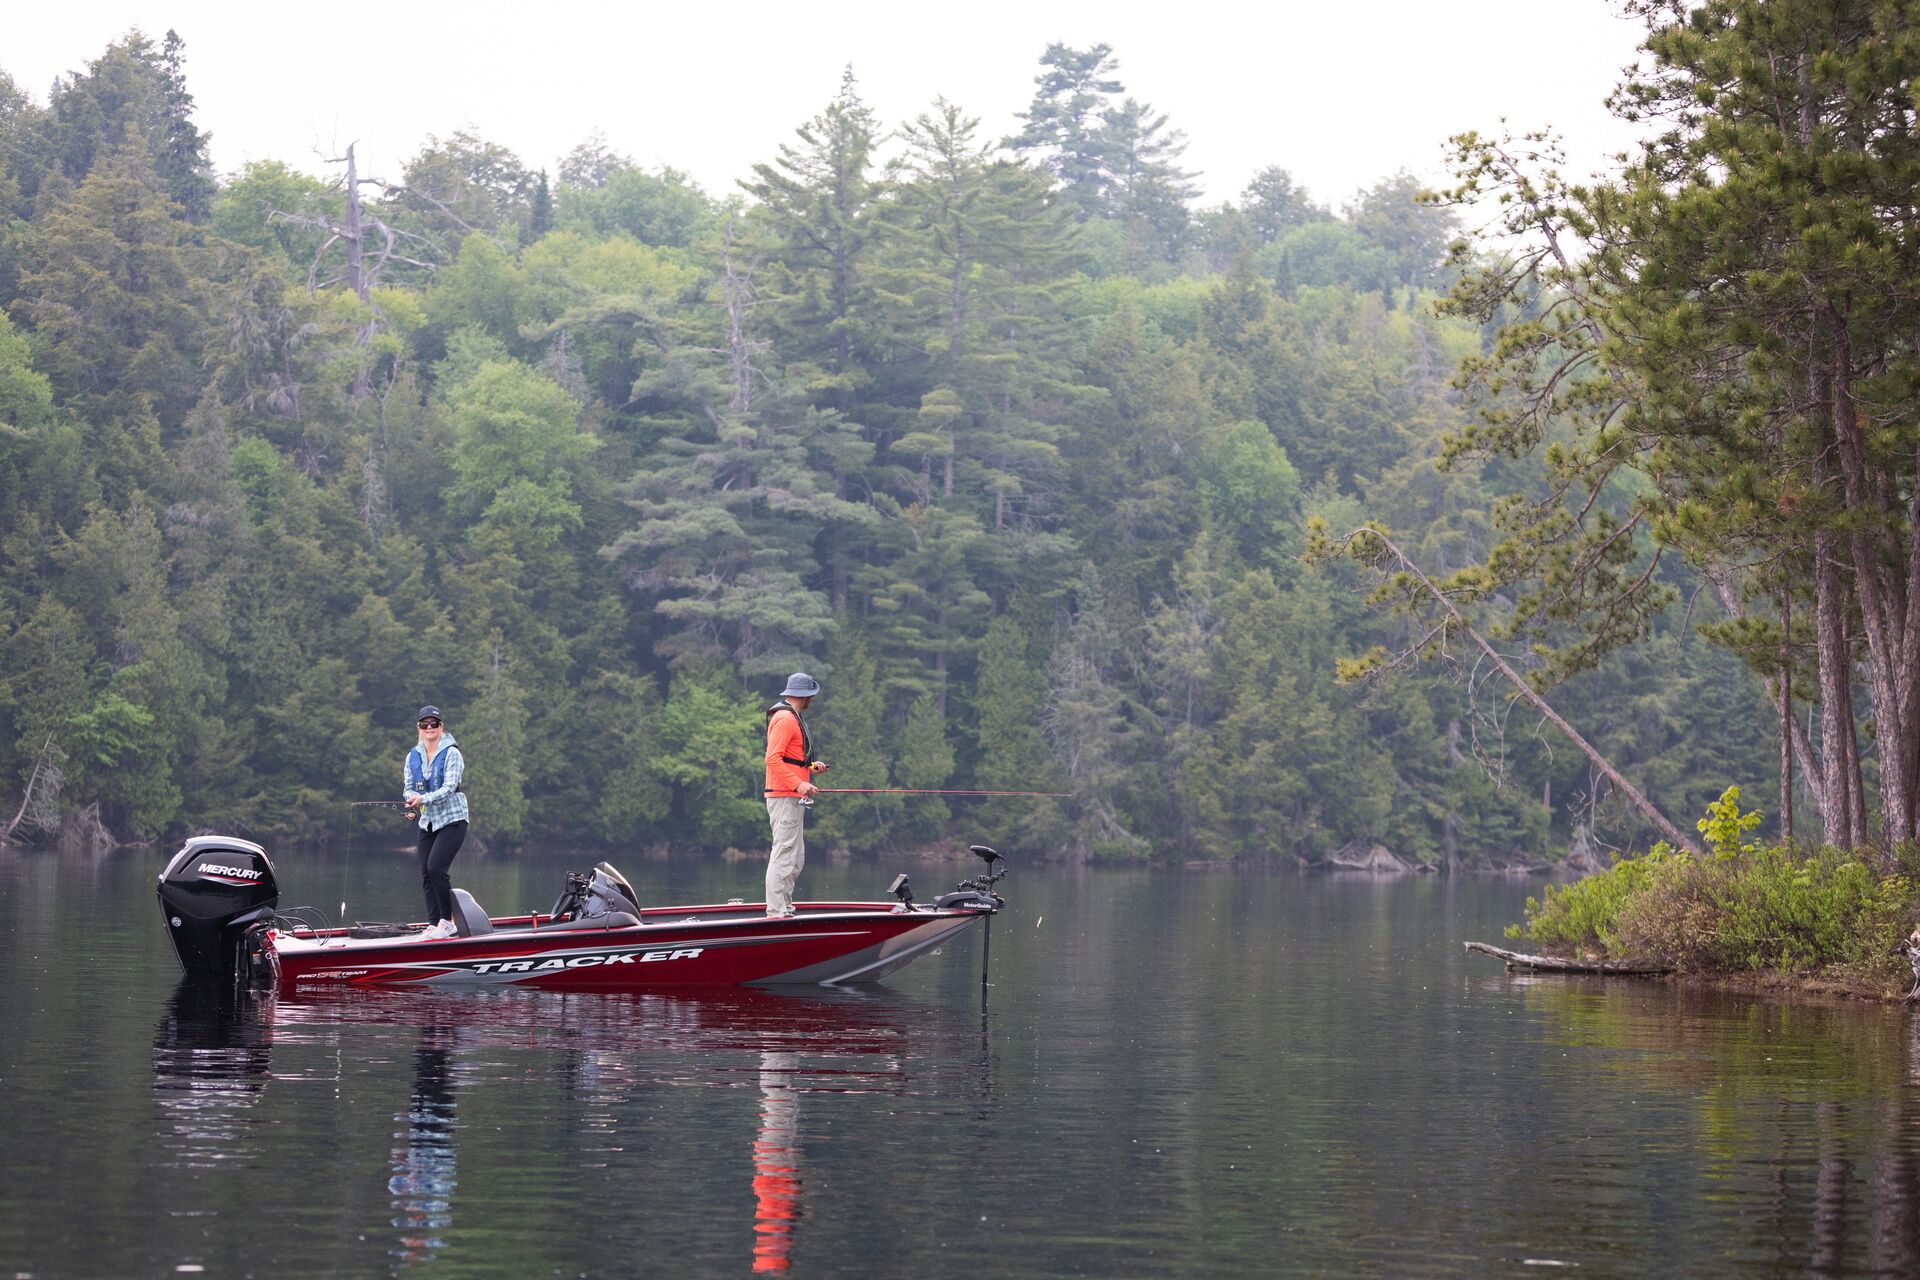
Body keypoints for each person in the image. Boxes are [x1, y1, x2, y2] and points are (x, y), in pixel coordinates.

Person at [763, 674, 827, 918]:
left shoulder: (793, 717)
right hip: (784, 796)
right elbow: (772, 759)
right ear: (805, 695)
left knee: (795, 857)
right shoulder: (785, 719)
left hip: (792, 795)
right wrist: (798, 784)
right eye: (811, 695)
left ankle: (786, 907)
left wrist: (811, 768)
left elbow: (790, 759)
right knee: (784, 853)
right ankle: (776, 912)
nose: (812, 699)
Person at [403, 705, 468, 938]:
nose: (429, 728)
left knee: (436, 868)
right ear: (418, 728)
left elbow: (449, 789)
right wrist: (411, 801)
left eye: (434, 724)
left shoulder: (452, 754)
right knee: (425, 872)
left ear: (441, 727)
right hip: (428, 822)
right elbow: (408, 787)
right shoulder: (413, 756)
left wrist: (423, 799)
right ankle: (433, 923)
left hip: (453, 820)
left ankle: (448, 921)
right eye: (424, 724)